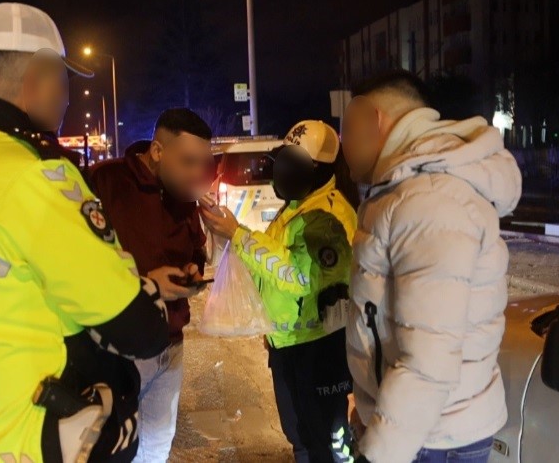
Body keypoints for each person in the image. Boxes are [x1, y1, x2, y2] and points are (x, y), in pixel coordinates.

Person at [0, 3, 181, 462]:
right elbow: (136, 328)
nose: (65, 95)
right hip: (38, 433)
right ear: (35, 74)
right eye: (63, 78)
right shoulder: (32, 176)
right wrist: (149, 298)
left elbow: (15, 285)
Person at [340, 71, 522, 463]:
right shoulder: (409, 192)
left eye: (347, 131)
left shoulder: (429, 201)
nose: (344, 146)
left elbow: (428, 359)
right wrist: (372, 410)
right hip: (422, 429)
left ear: (376, 119)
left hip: (431, 439)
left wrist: (379, 452)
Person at [202, 120, 358, 463]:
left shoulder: (325, 217)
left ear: (319, 169)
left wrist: (239, 235)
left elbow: (297, 277)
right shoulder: (299, 206)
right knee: (302, 436)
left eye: (293, 164)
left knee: (319, 442)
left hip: (317, 350)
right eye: (281, 161)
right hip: (291, 344)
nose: (281, 171)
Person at [89, 108, 214, 462]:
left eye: (202, 164)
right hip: (118, 349)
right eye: (188, 161)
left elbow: (194, 249)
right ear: (158, 151)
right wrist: (144, 285)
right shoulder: (104, 183)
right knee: (112, 449)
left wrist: (193, 269)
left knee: (156, 449)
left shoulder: (183, 194)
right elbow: (77, 266)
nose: (196, 174)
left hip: (170, 347)